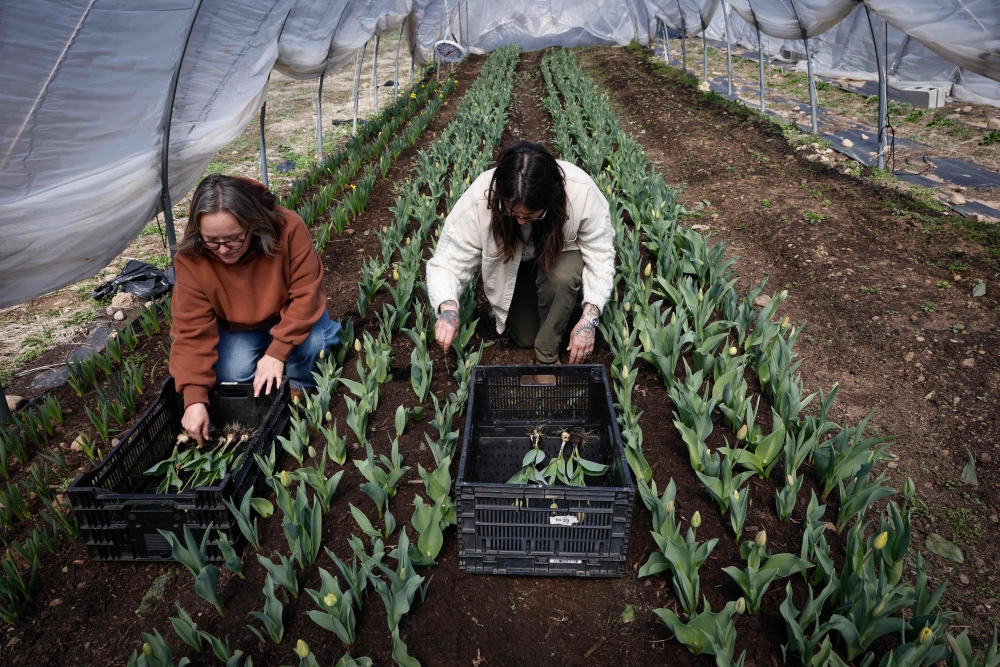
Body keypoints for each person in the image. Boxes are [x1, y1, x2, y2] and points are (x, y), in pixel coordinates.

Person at [169, 175, 341, 445]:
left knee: (312, 346)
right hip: (239, 326)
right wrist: (194, 399)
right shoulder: (192, 258)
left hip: (292, 313)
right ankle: (270, 364)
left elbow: (307, 296)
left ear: (253, 224)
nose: (223, 250)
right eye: (212, 241)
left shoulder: (288, 229)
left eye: (234, 239)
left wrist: (277, 352)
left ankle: (303, 379)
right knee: (231, 375)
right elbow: (190, 330)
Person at [426, 141, 615, 364]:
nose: (521, 220)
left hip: (556, 259)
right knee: (525, 337)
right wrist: (448, 309)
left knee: (562, 276)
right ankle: (543, 304)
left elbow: (601, 256)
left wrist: (589, 319)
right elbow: (447, 264)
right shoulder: (480, 199)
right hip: (512, 266)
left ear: (551, 200)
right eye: (513, 213)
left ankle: (547, 355)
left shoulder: (581, 193)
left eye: (531, 214)